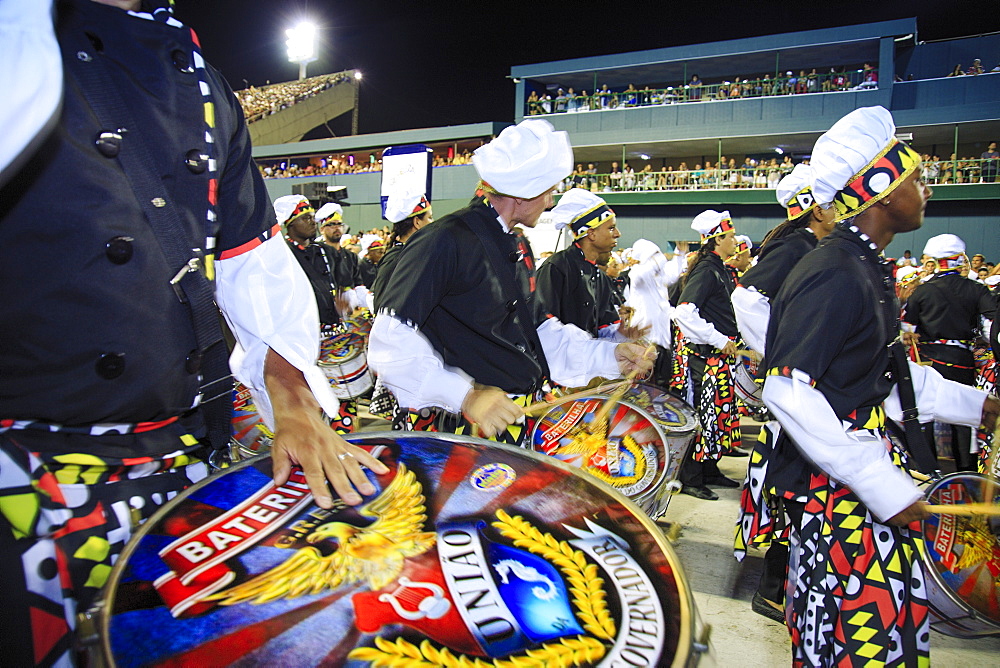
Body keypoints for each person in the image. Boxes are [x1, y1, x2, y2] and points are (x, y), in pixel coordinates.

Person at [0, 2, 386, 665]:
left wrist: (292, 402)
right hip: (25, 473)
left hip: (182, 454)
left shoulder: (203, 85)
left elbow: (252, 262)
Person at [763, 105, 998, 666]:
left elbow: (885, 374)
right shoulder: (833, 271)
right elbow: (787, 390)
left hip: (854, 476)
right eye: (917, 178)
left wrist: (978, 406)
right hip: (836, 491)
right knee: (856, 636)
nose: (927, 190)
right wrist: (882, 485)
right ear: (883, 189)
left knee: (885, 627)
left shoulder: (864, 266)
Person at [368, 119, 654, 445]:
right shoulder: (444, 239)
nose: (550, 201)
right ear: (523, 192)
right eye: (547, 190)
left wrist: (608, 356)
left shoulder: (517, 245)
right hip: (459, 429)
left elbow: (532, 333)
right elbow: (389, 339)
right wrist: (465, 396)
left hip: (509, 420)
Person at [729, 163, 838, 621]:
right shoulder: (797, 244)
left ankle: (786, 584)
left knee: (800, 494)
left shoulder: (814, 245)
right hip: (799, 390)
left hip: (812, 390)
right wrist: (785, 350)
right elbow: (747, 298)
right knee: (793, 491)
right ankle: (774, 589)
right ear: (815, 207)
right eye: (834, 201)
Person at [902, 234, 996, 471]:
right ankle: (966, 472)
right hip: (962, 360)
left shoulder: (922, 292)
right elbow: (991, 325)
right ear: (958, 259)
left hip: (928, 360)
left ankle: (927, 471)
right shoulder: (976, 289)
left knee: (926, 414)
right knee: (964, 415)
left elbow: (907, 329)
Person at [673, 210, 743, 500]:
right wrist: (718, 339)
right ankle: (691, 478)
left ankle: (710, 470)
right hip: (704, 358)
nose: (736, 240)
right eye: (731, 235)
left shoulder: (719, 268)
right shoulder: (706, 270)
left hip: (718, 358)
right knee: (703, 418)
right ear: (718, 239)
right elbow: (684, 312)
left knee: (718, 417)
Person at [537, 189, 642, 340]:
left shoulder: (599, 276)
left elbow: (603, 325)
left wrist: (623, 337)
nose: (618, 234)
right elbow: (544, 327)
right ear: (591, 233)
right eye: (611, 228)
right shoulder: (557, 267)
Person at [370, 190, 433, 312]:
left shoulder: (413, 254)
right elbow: (382, 308)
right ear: (417, 222)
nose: (433, 223)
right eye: (430, 218)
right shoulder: (396, 259)